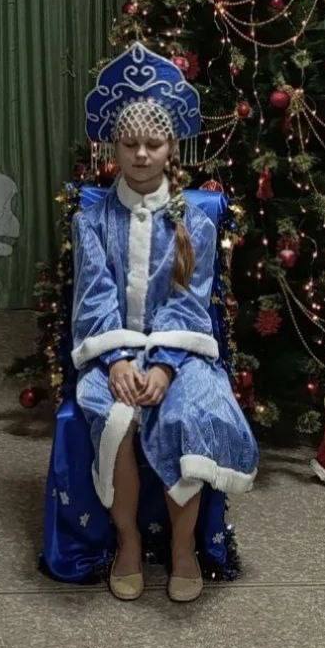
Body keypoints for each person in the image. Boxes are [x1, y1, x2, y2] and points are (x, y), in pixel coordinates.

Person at [72, 43, 258, 602]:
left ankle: (182, 548)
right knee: (117, 416)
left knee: (188, 414)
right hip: (113, 352)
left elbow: (189, 303)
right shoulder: (92, 219)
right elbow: (94, 299)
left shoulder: (193, 220)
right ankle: (128, 542)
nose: (141, 154)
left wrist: (167, 366)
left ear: (172, 146)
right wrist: (116, 360)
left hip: (181, 355)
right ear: (113, 146)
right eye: (130, 143)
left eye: (153, 144)